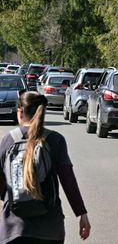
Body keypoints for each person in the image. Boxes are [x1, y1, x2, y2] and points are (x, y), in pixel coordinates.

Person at [0, 91, 91, 244]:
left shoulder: (8, 141)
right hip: (49, 229)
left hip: (13, 229)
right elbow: (68, 180)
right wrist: (81, 213)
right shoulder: (55, 140)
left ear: (20, 112)